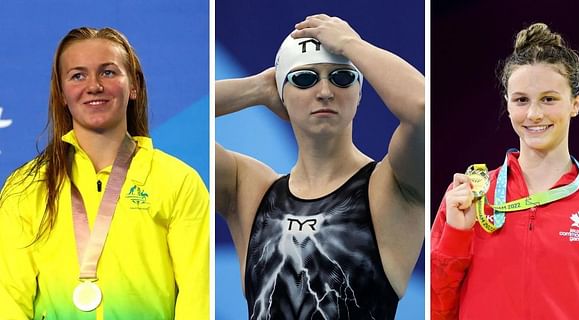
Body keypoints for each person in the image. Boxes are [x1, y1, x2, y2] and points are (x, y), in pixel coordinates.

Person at [216, 14, 424, 319]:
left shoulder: (391, 188)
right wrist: (257, 89)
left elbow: (421, 108)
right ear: (282, 92)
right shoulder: (249, 190)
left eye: (341, 77)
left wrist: (351, 45)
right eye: (304, 78)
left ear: (359, 93)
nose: (325, 91)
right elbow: (158, 129)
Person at [431, 22, 579, 319]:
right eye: (521, 100)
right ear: (508, 104)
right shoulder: (469, 197)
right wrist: (455, 235)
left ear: (575, 103)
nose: (534, 114)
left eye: (549, 99)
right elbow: (436, 309)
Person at [0, 27, 209, 319]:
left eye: (108, 72)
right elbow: (8, 300)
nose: (94, 85)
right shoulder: (25, 187)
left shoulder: (178, 182)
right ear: (61, 93)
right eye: (77, 75)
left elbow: (198, 298)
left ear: (133, 85)